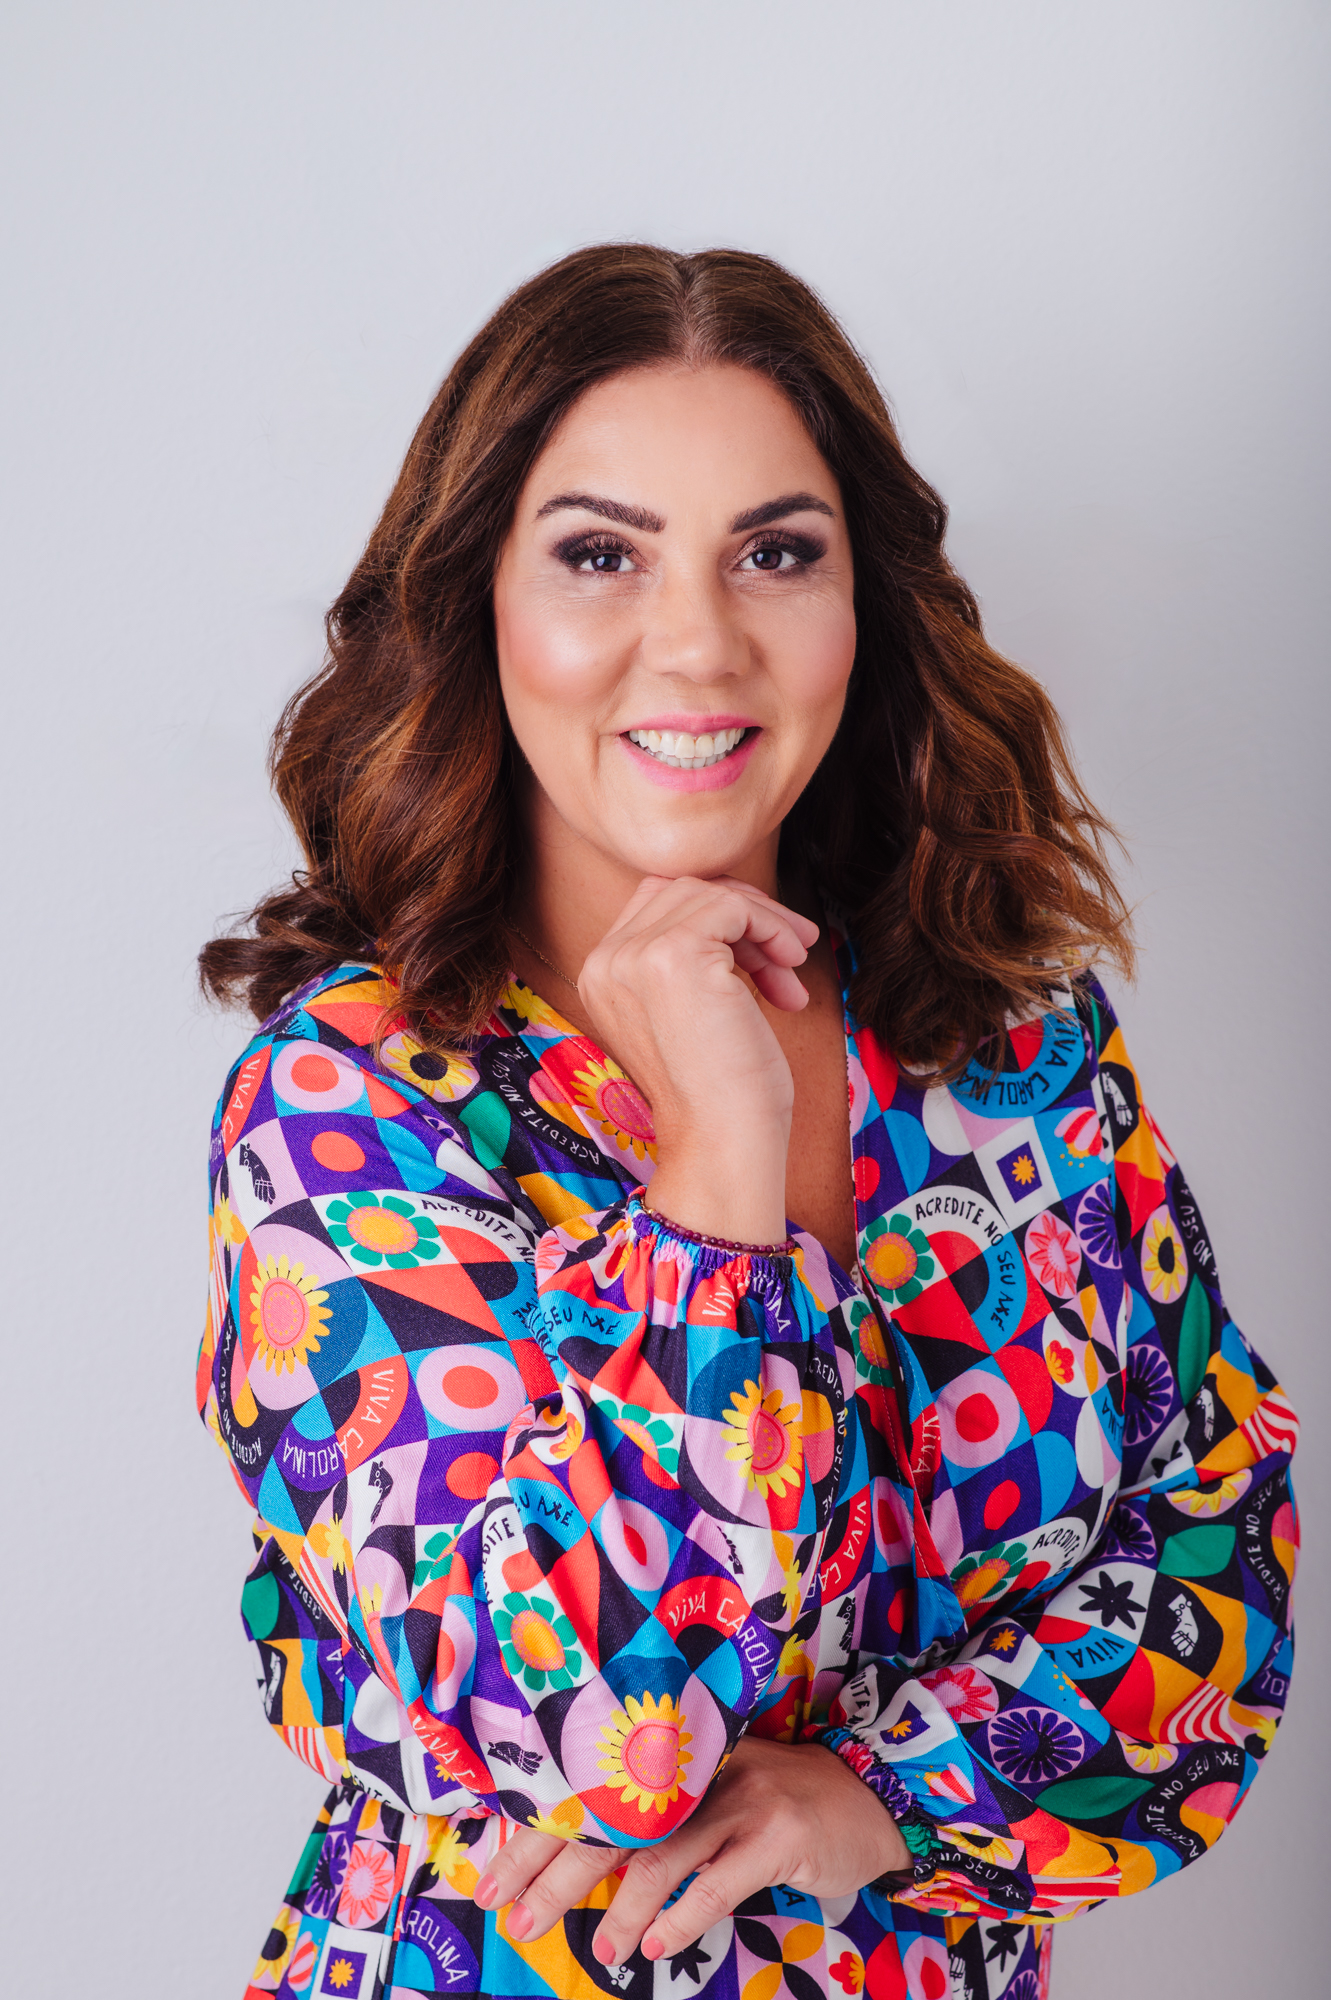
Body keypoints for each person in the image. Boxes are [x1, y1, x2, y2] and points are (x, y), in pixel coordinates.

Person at [198, 245, 1299, 2000]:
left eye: (775, 553)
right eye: (600, 554)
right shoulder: (357, 1110)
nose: (697, 640)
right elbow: (580, 1736)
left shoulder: (1016, 1059)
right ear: (480, 600)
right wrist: (716, 1158)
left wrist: (876, 1797)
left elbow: (1214, 1601)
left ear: (866, 606)